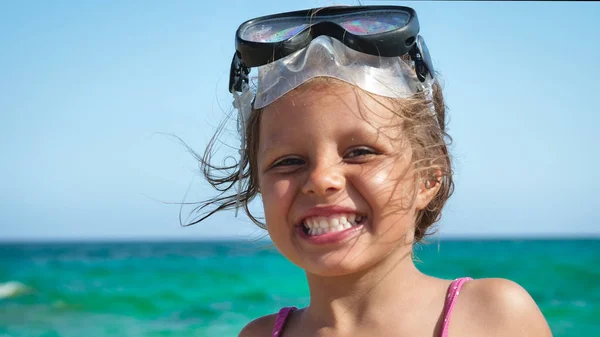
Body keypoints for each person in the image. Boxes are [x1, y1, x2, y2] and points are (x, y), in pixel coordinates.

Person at [195, 5, 553, 337]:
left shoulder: (491, 316)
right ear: (258, 180)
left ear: (428, 175)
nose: (322, 180)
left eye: (360, 152)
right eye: (288, 161)